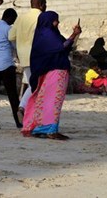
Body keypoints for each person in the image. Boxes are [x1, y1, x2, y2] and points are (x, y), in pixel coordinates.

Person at [21, 11, 81, 140]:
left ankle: (41, 127)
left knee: (48, 100)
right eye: (56, 20)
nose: (58, 23)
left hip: (53, 71)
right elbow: (61, 47)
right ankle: (50, 129)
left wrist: (75, 35)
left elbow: (65, 47)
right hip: (55, 71)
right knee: (54, 101)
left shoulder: (52, 34)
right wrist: (74, 35)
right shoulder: (46, 34)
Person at [8, 0, 47, 117]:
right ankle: (24, 108)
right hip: (39, 56)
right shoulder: (42, 17)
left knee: (32, 84)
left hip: (24, 57)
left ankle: (26, 110)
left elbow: (11, 37)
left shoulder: (21, 18)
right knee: (38, 85)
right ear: (41, 5)